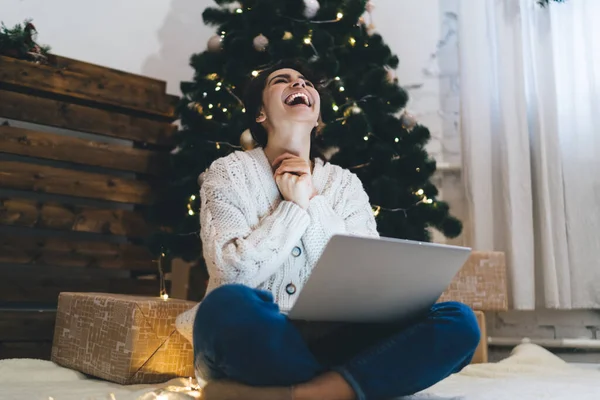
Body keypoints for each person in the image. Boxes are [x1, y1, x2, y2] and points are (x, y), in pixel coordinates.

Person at [191, 59, 480, 400]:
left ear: (318, 117)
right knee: (226, 304)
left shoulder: (345, 185)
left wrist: (312, 199)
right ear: (260, 114)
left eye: (307, 83)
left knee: (459, 321)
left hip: (336, 343)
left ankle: (309, 393)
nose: (299, 85)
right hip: (257, 337)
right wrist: (293, 207)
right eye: (281, 81)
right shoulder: (227, 172)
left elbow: (367, 280)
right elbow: (230, 273)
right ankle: (346, 386)